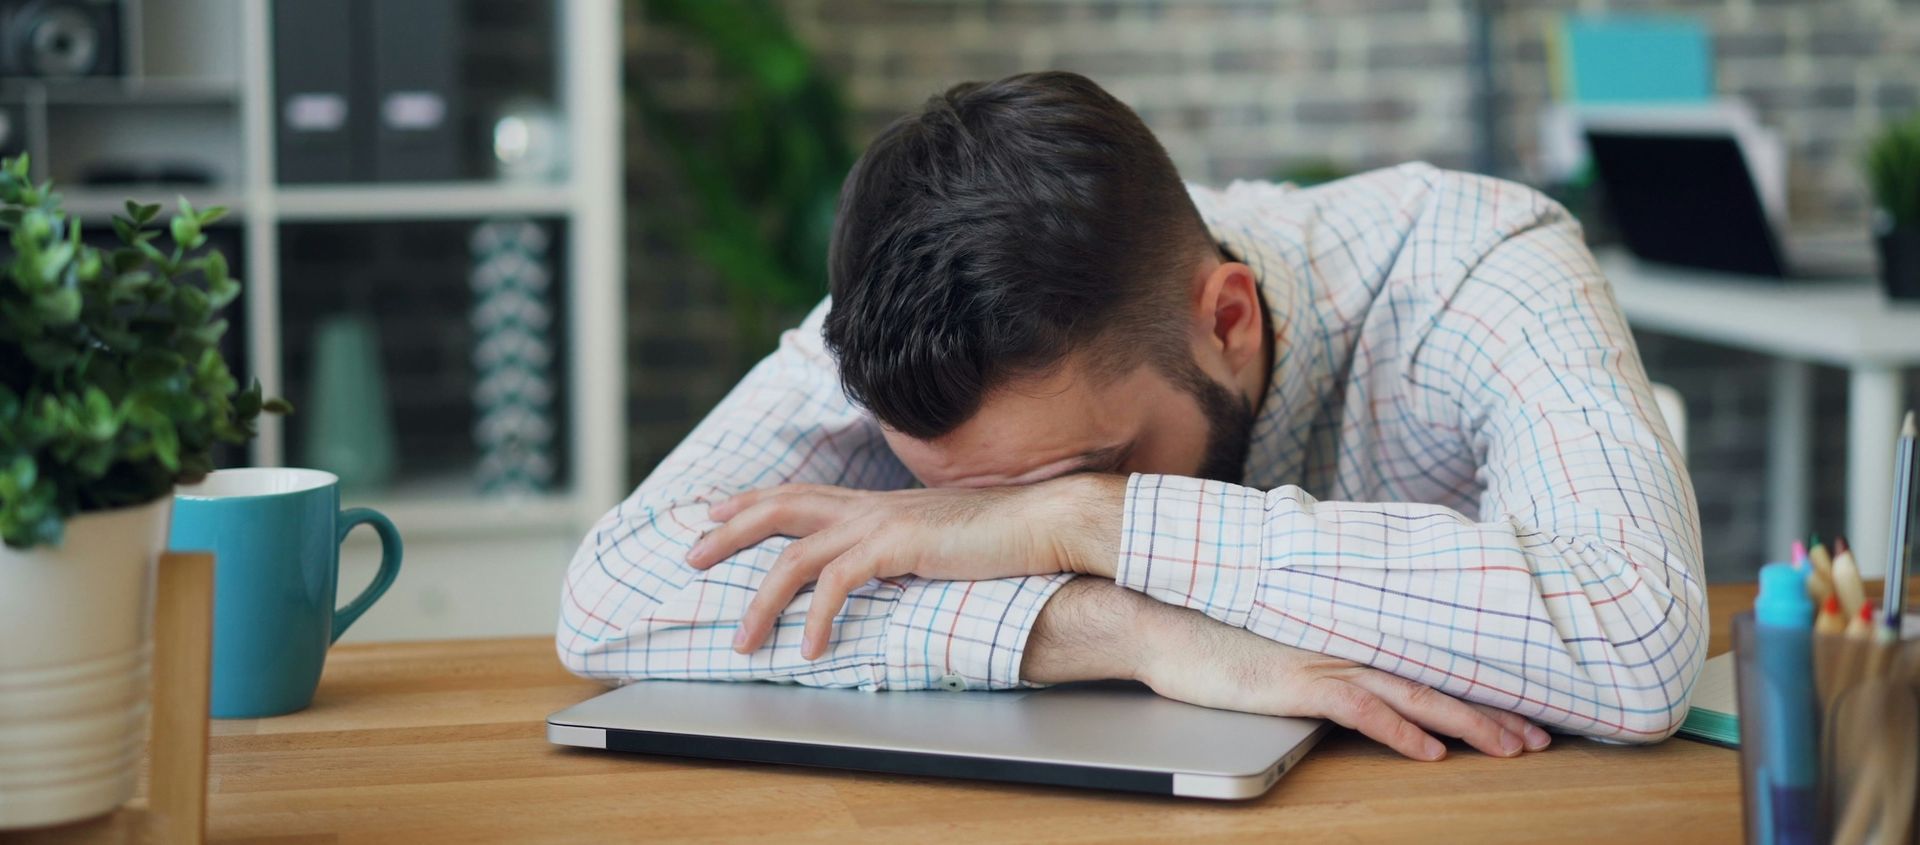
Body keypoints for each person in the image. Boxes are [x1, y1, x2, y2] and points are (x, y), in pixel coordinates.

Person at [558, 71, 1705, 762]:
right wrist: (1119, 630)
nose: (991, 528)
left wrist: (1085, 522)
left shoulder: (1477, 261)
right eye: (967, 500)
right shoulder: (902, 322)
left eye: (1073, 469)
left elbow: (1635, 635)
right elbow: (611, 595)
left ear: (1229, 318)